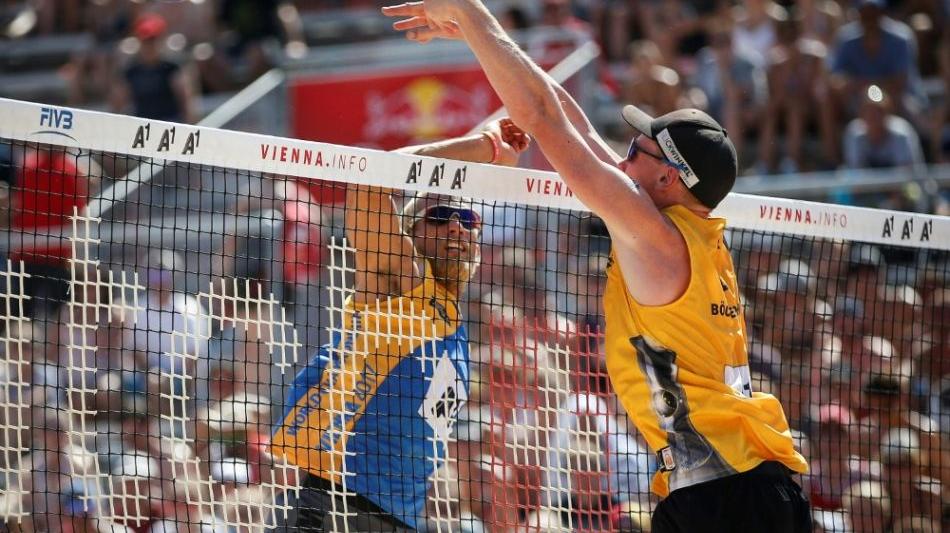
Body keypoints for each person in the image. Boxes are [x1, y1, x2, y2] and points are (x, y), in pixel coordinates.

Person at [382, 2, 811, 531]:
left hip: (729, 496)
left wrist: (472, 11)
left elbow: (542, 118)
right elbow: (569, 119)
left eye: (636, 150)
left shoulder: (658, 238)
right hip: (733, 485)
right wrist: (478, 36)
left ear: (669, 180)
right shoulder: (685, 232)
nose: (622, 156)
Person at [269, 118, 530, 531]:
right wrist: (486, 149)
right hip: (336, 506)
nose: (457, 227)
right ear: (409, 235)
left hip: (398, 518)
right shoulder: (397, 280)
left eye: (467, 217)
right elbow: (374, 175)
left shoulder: (454, 323)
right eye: (440, 216)